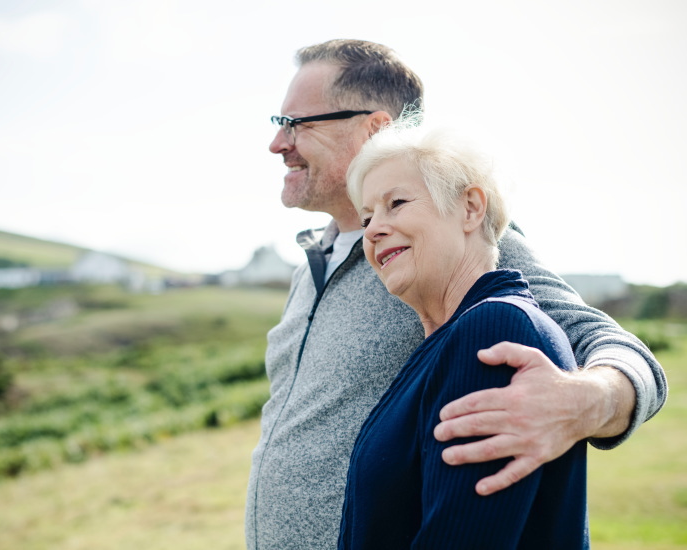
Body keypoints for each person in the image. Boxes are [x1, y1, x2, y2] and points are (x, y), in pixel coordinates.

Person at [245, 39, 666, 550]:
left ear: (376, 128)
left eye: (297, 123)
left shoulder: (453, 240)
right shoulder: (311, 265)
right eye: (277, 123)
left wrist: (588, 402)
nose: (278, 143)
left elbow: (605, 343)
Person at [338, 118, 587, 549]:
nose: (374, 229)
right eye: (366, 218)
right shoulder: (448, 343)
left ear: (471, 208)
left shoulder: (493, 331)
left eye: (395, 203)